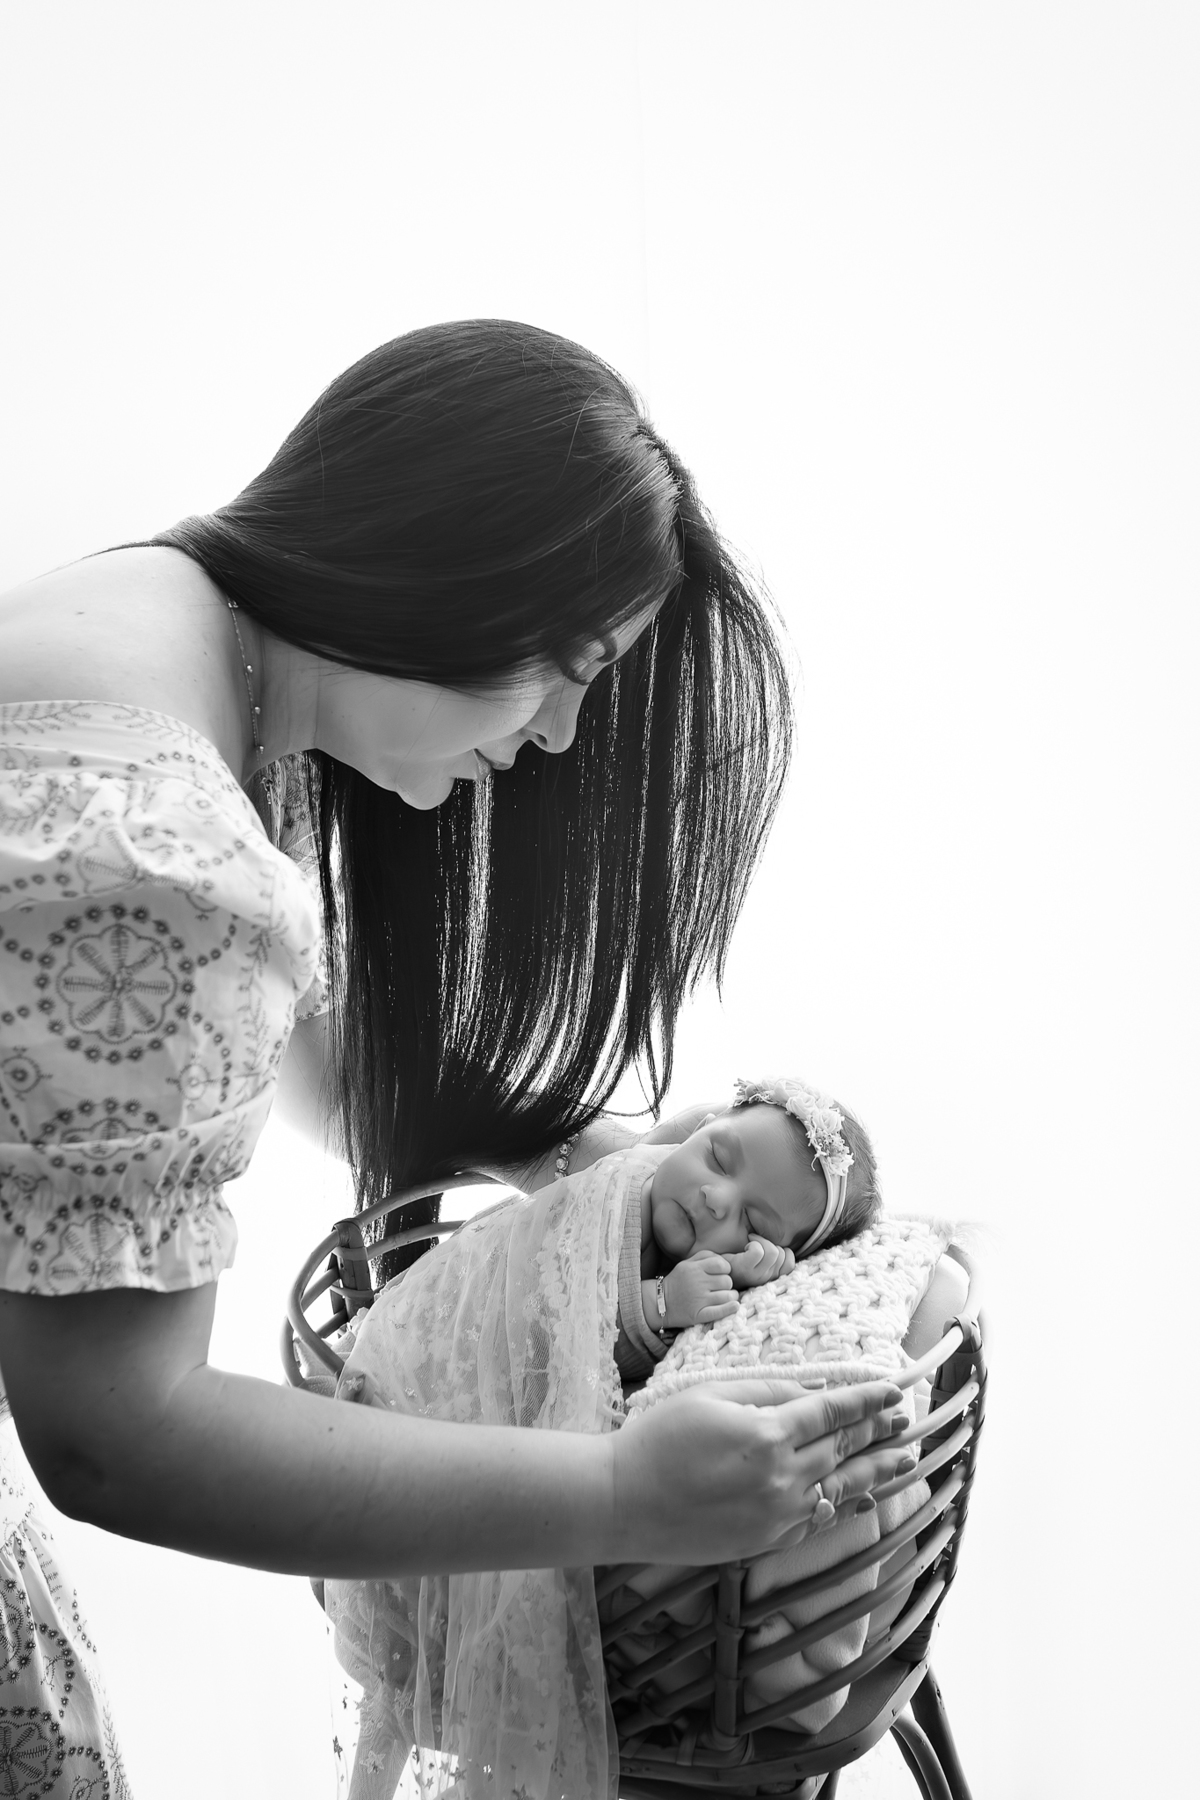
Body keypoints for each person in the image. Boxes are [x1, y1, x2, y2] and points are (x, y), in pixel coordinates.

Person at [0, 319, 914, 1785]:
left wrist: (574, 1153)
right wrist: (624, 1494)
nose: (560, 737)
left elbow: (285, 1042)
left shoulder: (163, 634)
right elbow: (117, 1434)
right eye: (571, 669)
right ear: (446, 570)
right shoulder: (153, 851)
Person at [322, 1077, 937, 1797]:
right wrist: (659, 1303)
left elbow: (647, 1358)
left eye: (753, 1222)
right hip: (434, 1392)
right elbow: (558, 1320)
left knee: (435, 1658)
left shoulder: (703, 1237)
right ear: (702, 1126)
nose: (716, 1198)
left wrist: (747, 1270)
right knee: (411, 1656)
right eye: (719, 1157)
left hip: (492, 1434)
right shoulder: (620, 1193)